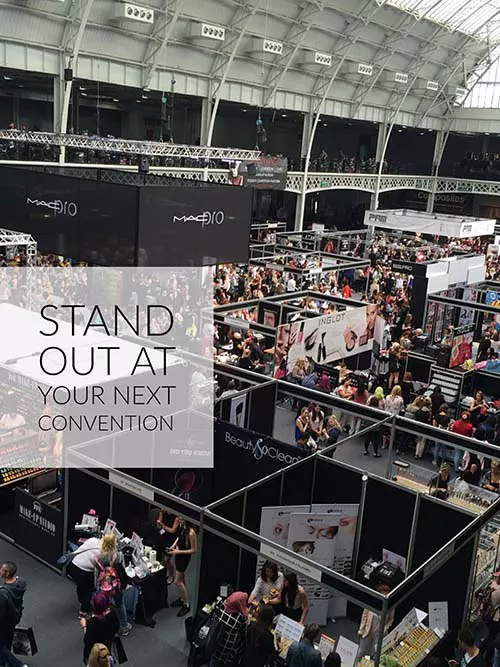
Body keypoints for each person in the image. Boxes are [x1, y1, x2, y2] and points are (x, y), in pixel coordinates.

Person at [94, 534, 131, 636]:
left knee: (103, 606)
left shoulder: (98, 557)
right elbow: (122, 569)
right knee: (120, 604)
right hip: (116, 586)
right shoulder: (118, 556)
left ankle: (105, 626)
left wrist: (97, 586)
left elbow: (96, 574)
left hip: (103, 586)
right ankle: (124, 627)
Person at [169, 518, 198, 616]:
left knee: (177, 581)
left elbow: (194, 550)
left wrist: (178, 552)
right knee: (182, 577)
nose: (178, 519)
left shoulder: (191, 533)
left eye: (181, 518)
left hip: (184, 558)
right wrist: (173, 545)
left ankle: (186, 604)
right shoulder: (182, 527)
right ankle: (182, 598)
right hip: (179, 555)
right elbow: (178, 537)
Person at [81, 593, 120, 665]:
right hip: (108, 644)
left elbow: (87, 641)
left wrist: (84, 626)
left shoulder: (92, 623)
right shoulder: (112, 614)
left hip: (95, 651)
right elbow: (116, 628)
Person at [210, 592, 248, 667]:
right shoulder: (239, 618)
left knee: (214, 661)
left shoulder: (220, 606)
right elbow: (244, 632)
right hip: (228, 647)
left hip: (215, 641)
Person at [68, 536, 101, 616]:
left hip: (72, 565)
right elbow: (98, 569)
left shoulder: (93, 540)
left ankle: (82, 602)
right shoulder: (101, 554)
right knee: (88, 590)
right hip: (83, 571)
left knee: (81, 586)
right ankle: (83, 611)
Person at [0, 578, 27, 667]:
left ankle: (17, 664)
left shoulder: (3, 594)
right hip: (12, 620)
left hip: (3, 623)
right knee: (6, 642)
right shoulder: (19, 590)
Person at [155, 509, 179, 585]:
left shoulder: (176, 517)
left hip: (170, 540)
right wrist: (159, 524)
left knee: (167, 560)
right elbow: (158, 526)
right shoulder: (162, 512)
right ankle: (162, 573)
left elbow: (173, 530)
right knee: (161, 558)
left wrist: (163, 526)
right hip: (162, 537)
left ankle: (171, 574)